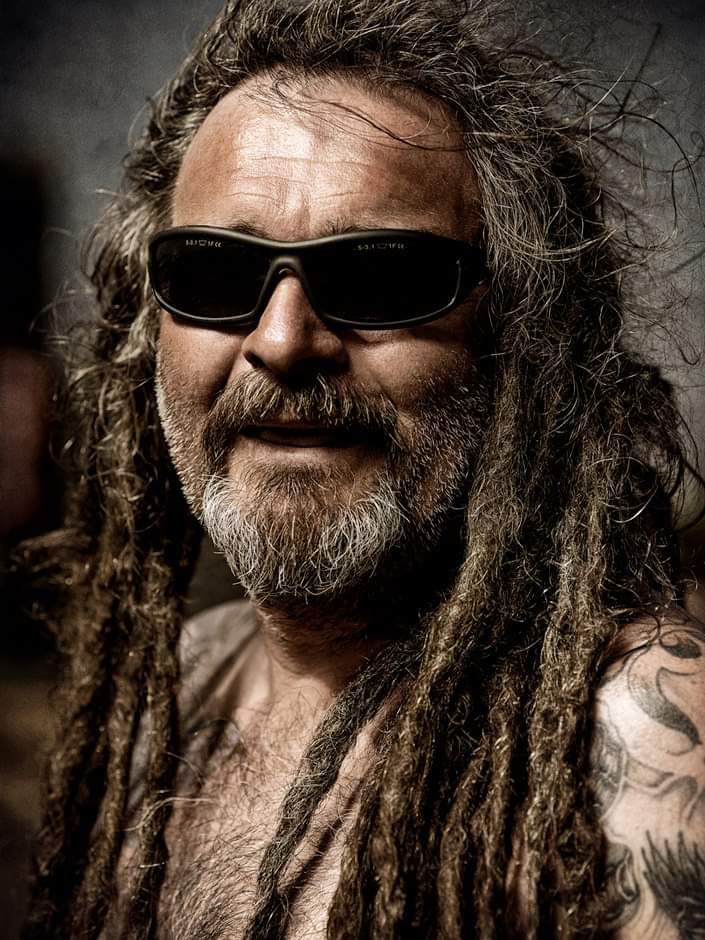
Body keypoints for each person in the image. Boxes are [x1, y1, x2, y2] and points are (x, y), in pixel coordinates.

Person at [21, 0, 705, 937]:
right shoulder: (166, 693)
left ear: (522, 341)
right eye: (215, 272)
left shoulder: (640, 728)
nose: (282, 340)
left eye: (380, 275)